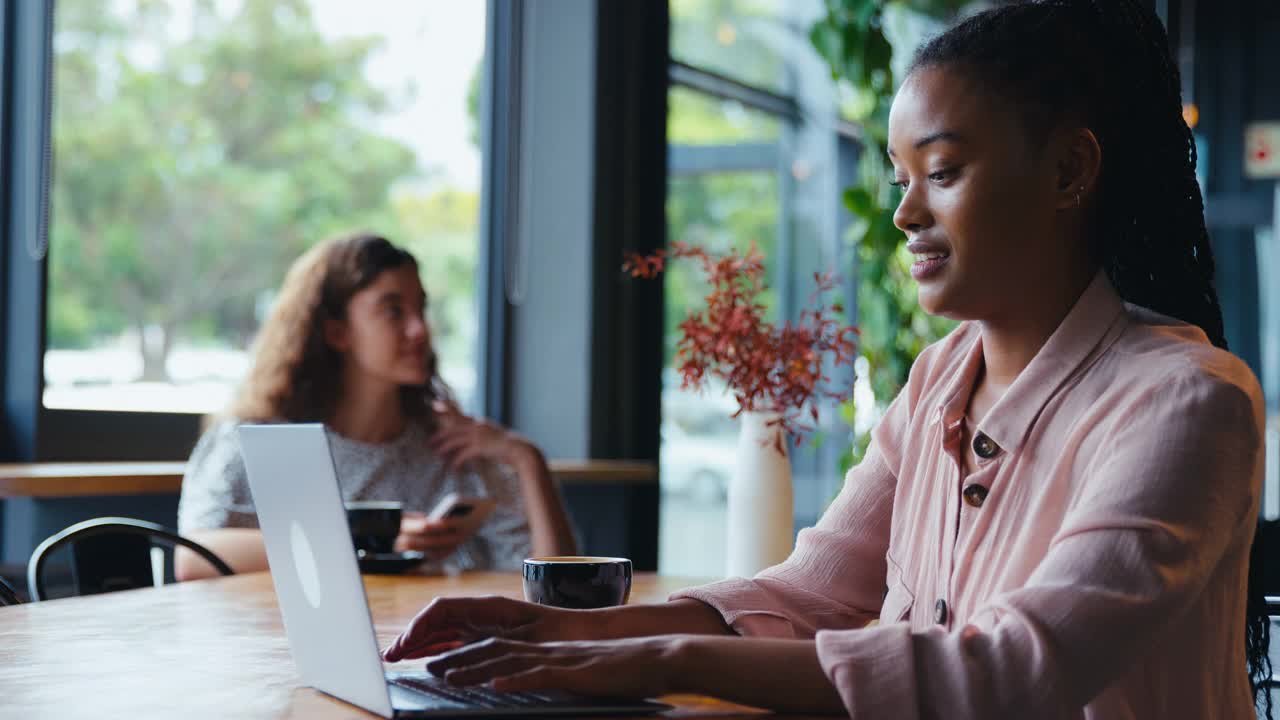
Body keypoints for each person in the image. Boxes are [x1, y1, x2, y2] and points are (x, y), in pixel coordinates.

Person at [380, 2, 1273, 718]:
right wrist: (565, 634)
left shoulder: (1186, 401)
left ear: (1071, 173)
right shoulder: (937, 380)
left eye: (945, 171)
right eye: (899, 178)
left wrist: (645, 658)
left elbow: (1011, 674)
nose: (906, 214)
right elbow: (813, 593)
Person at [175, 233, 576, 580]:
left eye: (421, 308)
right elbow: (192, 558)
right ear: (336, 332)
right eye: (393, 310)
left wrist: (526, 459)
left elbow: (555, 589)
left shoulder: (453, 447)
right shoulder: (258, 437)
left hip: (420, 654)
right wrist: (362, 543)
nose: (420, 329)